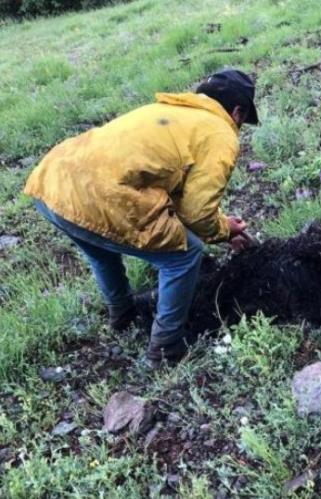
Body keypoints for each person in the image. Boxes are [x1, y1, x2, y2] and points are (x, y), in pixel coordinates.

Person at [23, 69, 259, 366]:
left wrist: (222, 222)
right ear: (237, 111)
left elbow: (172, 190)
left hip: (51, 182)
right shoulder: (218, 132)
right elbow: (197, 212)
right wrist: (224, 231)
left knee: (102, 252)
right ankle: (165, 350)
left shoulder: (168, 110)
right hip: (98, 196)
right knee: (184, 256)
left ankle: (122, 315)